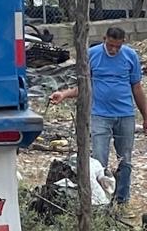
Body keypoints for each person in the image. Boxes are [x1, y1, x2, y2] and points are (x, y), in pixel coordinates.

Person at [49, 26, 147, 206]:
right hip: (99, 115)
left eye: (117, 47)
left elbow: (137, 87)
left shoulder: (130, 56)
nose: (113, 50)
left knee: (125, 160)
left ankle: (121, 200)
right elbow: (84, 86)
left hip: (125, 115)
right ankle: (100, 201)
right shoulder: (92, 54)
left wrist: (145, 115)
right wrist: (64, 94)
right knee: (98, 161)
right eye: (110, 45)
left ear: (123, 43)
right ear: (104, 39)